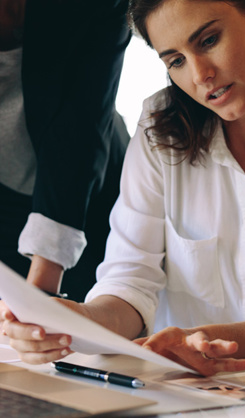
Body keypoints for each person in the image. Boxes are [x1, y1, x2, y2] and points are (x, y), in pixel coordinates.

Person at [1, 0, 245, 375]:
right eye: (176, 61)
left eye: (208, 41)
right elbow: (130, 282)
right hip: (175, 391)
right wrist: (76, 321)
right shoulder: (157, 129)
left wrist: (195, 340)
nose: (200, 75)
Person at [0, 0, 130, 302]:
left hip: (88, 194)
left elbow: (80, 131)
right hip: (4, 198)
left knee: (92, 324)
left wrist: (41, 296)